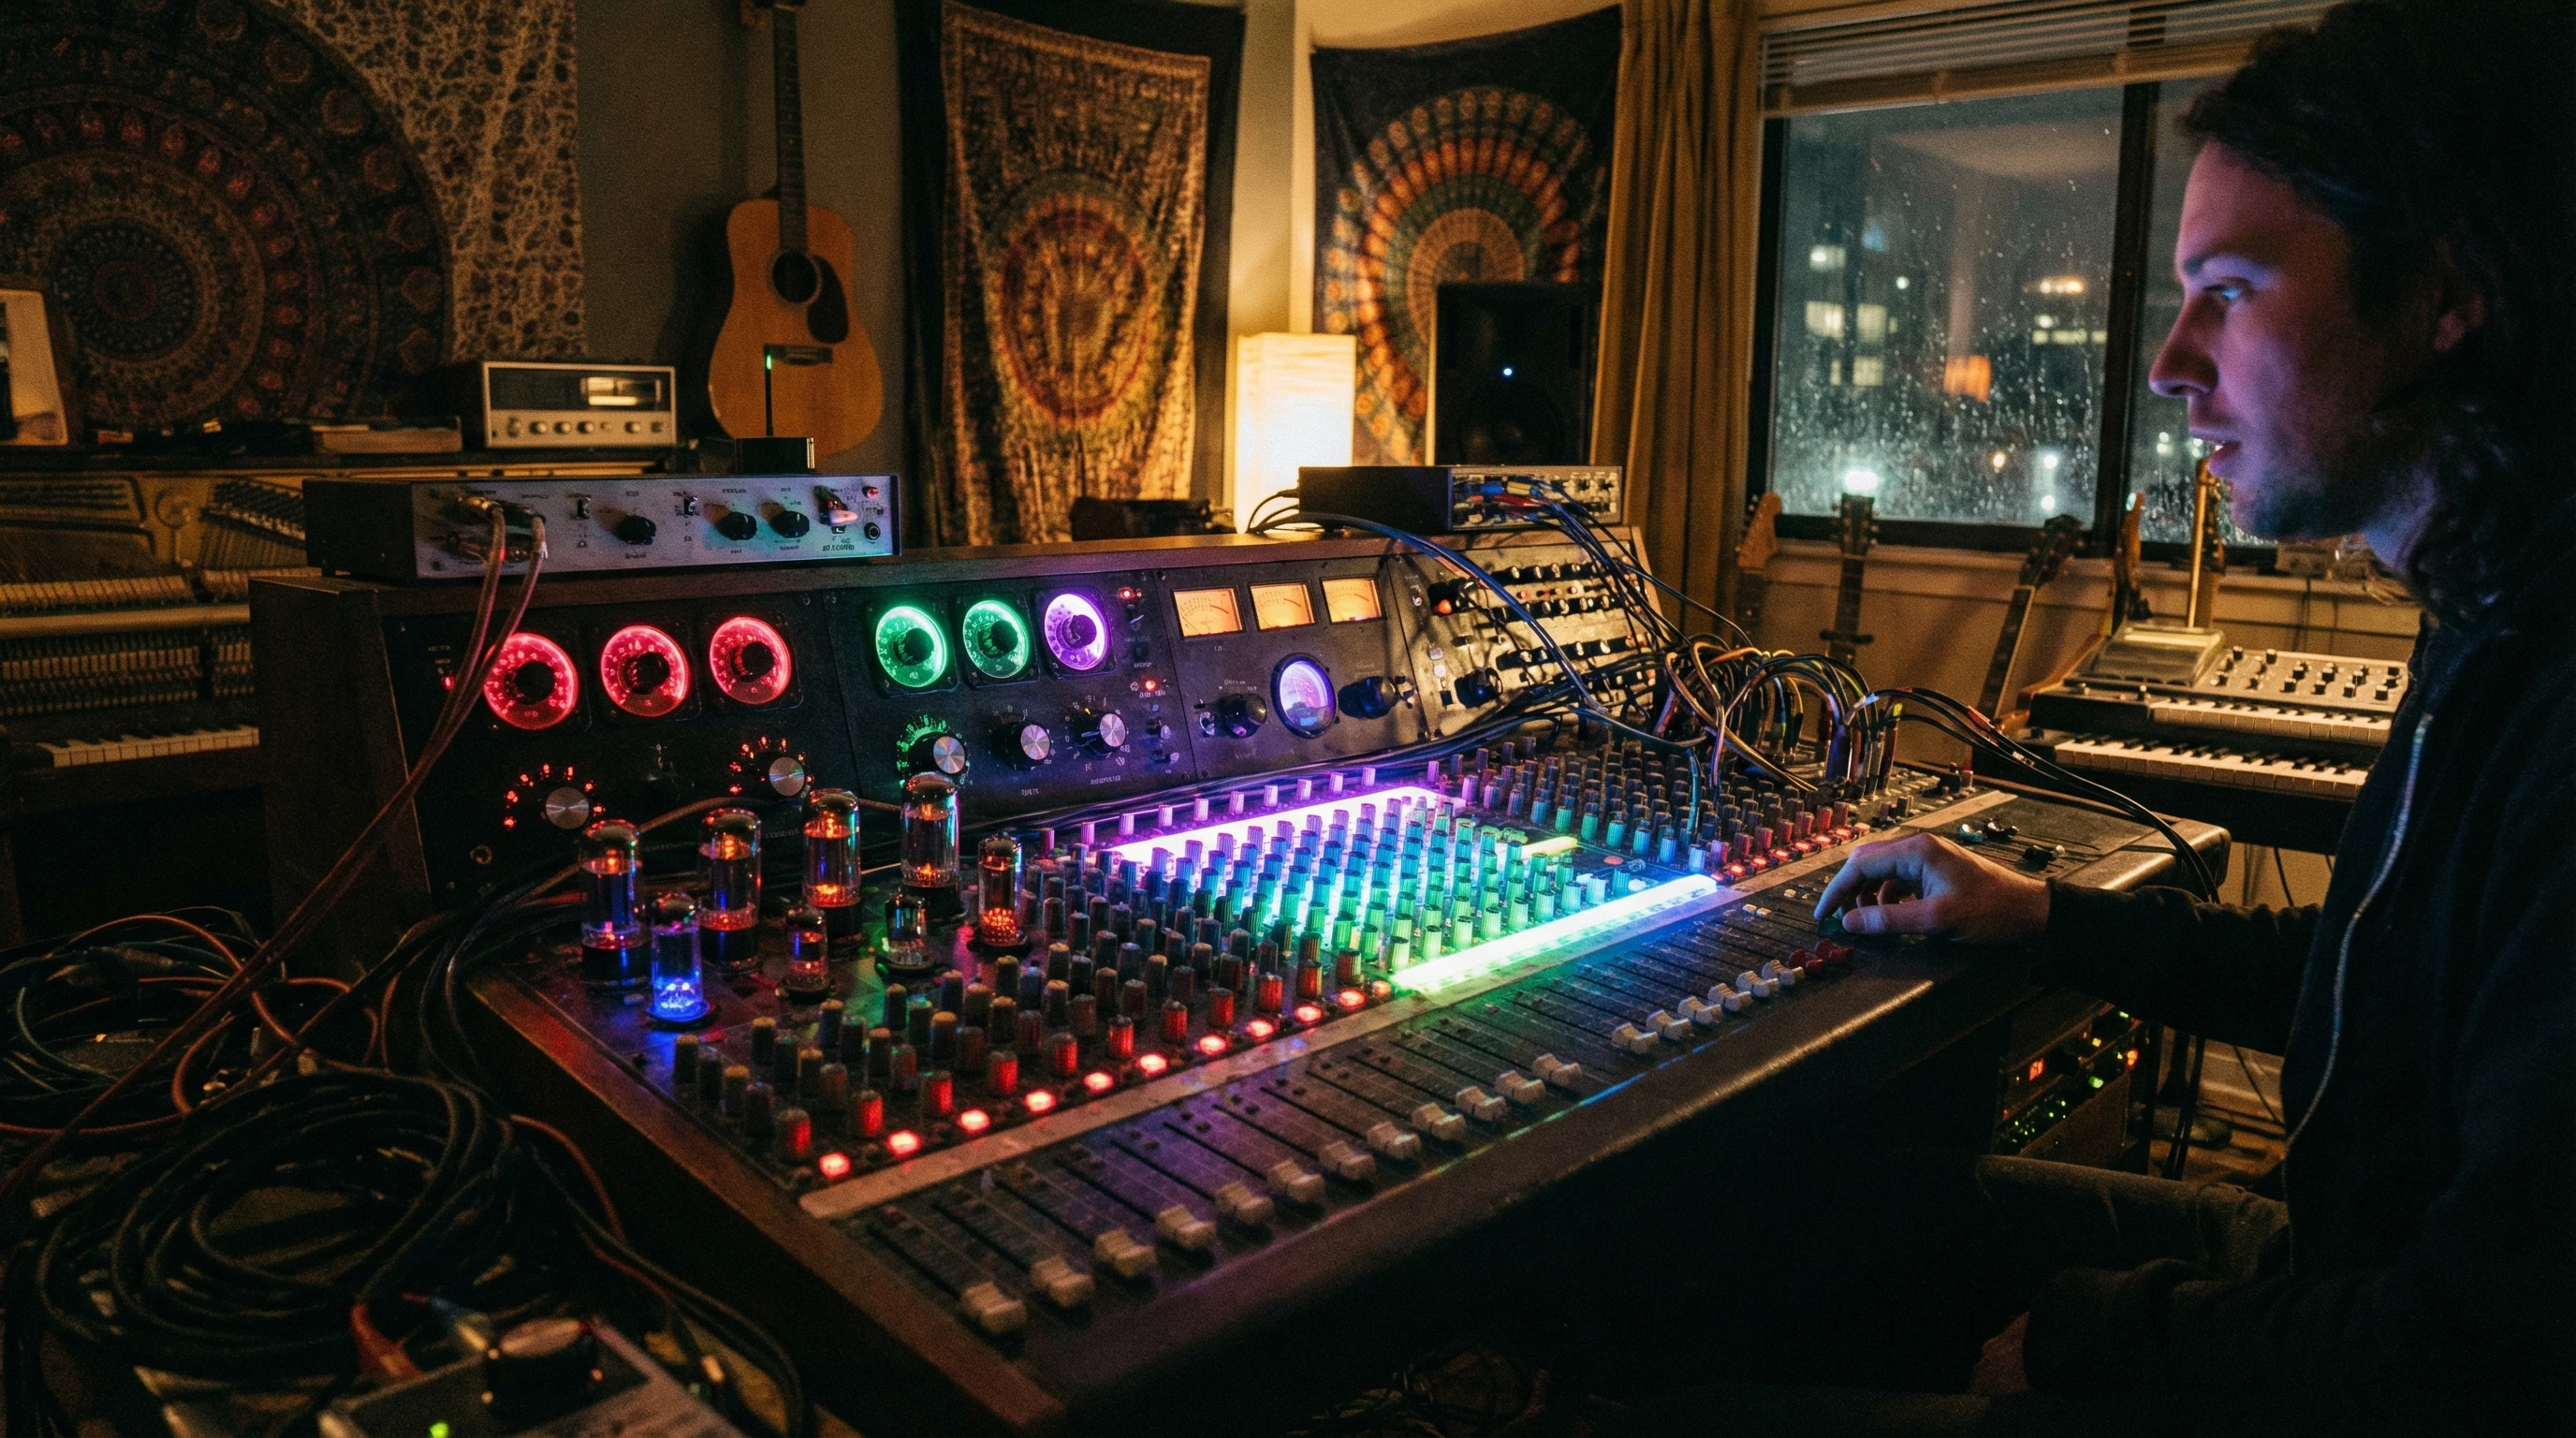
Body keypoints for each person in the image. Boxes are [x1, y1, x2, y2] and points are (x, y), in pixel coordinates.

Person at [1787, 0, 2576, 1431]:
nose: (2168, 362)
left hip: (2384, 1343)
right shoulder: (2492, 621)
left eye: (2231, 288)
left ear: (2448, 290)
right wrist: (2045, 916)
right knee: (1819, 1210)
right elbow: (2369, 974)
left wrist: (2086, 1340)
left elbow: (2476, 1351)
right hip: (2346, 1268)